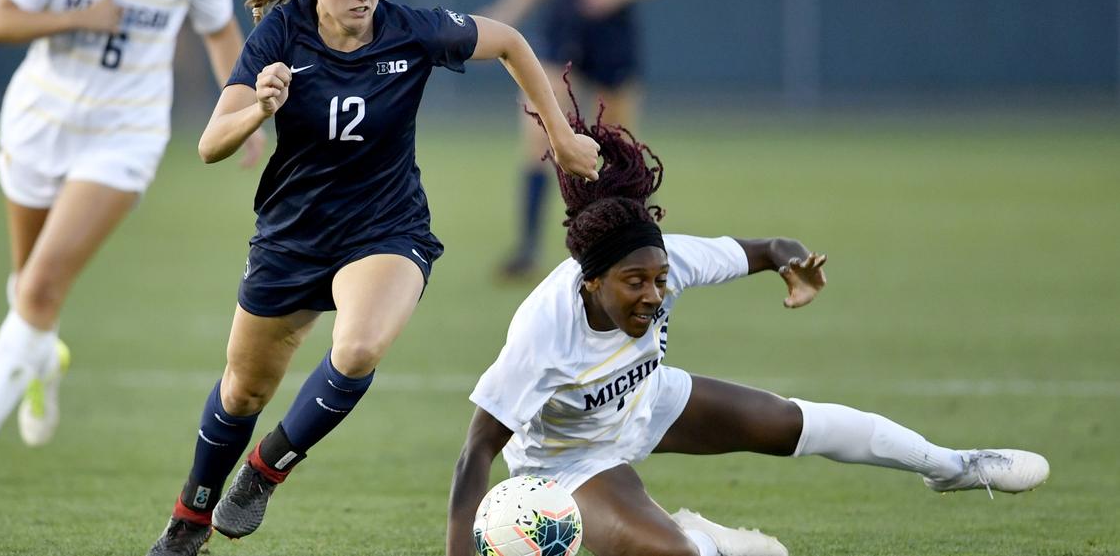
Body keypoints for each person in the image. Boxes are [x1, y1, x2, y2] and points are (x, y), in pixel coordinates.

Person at [143, 0, 601, 555]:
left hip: (387, 227)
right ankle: (189, 518)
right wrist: (259, 108)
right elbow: (210, 144)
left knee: (357, 348)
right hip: (293, 235)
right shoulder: (282, 32)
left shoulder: (412, 29)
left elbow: (510, 42)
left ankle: (266, 468)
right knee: (243, 389)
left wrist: (559, 135)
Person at [445, 100, 1050, 556]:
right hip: (568, 459)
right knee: (674, 554)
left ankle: (953, 466)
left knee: (789, 421)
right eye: (636, 283)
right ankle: (708, 541)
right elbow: (476, 453)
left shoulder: (667, 259)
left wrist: (796, 267)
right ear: (591, 283)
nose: (654, 295)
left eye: (659, 280)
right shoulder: (542, 333)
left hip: (647, 399)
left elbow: (770, 246)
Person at [0, 0, 257, 473]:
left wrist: (241, 111)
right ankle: (43, 361)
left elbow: (220, 28)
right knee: (28, 289)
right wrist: (80, 18)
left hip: (123, 140)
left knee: (37, 291)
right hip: (38, 125)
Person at [484, 0, 676, 279]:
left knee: (620, 149)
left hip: (613, 35)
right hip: (564, 29)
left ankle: (625, 247)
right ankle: (527, 248)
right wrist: (505, 13)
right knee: (538, 131)